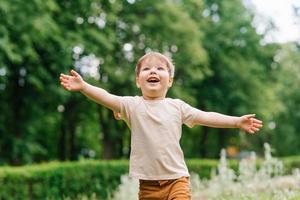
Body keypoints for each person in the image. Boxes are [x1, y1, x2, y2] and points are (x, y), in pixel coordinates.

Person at [59, 52, 263, 200]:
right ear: (138, 81)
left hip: (177, 180)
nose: (153, 71)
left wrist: (236, 121)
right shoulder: (132, 105)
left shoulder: (177, 107)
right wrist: (84, 86)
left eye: (159, 68)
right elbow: (106, 97)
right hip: (148, 186)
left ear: (170, 81)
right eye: (146, 69)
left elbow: (205, 116)